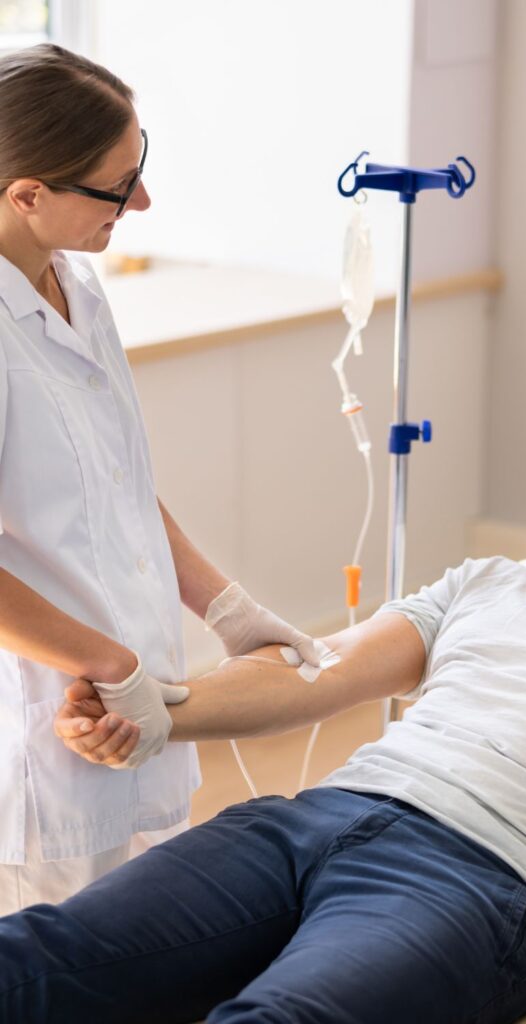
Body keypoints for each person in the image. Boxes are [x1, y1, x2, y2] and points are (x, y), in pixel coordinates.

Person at [2, 364, 526, 1024]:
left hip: (476, 885)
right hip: (307, 823)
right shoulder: (494, 579)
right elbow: (320, 671)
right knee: (31, 960)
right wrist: (156, 709)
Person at [0, 42, 325, 915]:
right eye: (115, 187)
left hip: (133, 705)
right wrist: (109, 663)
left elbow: (116, 483)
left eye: (140, 166)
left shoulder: (76, 283)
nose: (140, 200)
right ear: (27, 194)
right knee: (57, 968)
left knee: (148, 944)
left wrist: (224, 606)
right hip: (48, 722)